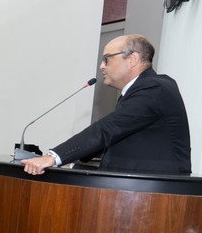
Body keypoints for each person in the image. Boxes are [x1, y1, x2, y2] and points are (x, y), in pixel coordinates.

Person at [22, 34, 192, 176]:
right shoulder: (140, 90)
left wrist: (53, 157)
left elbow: (107, 129)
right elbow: (118, 136)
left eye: (107, 59)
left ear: (132, 59)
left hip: (156, 197)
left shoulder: (155, 88)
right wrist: (71, 159)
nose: (102, 66)